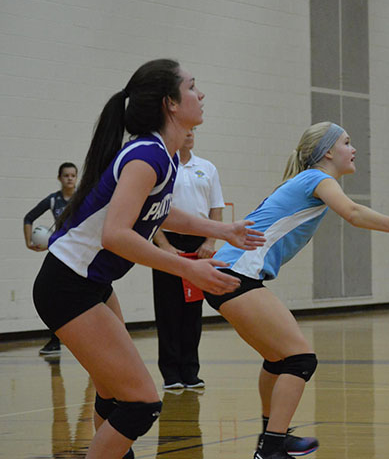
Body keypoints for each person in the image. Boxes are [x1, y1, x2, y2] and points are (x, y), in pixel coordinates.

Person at [32, 58, 265, 459]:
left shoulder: (165, 155)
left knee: (113, 392)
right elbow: (116, 234)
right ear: (170, 103)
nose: (201, 94)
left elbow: (159, 211)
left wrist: (222, 230)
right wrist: (188, 267)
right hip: (67, 284)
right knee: (140, 403)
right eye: (193, 86)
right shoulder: (147, 156)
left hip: (89, 284)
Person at [205, 122, 389, 459]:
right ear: (327, 153)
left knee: (279, 359)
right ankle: (271, 447)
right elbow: (352, 212)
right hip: (236, 273)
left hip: (228, 273)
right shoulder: (316, 179)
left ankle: (273, 435)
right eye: (347, 143)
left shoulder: (307, 182)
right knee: (301, 359)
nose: (353, 149)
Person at [151, 127, 225, 390]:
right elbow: (150, 209)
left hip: (198, 245)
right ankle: (171, 373)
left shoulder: (207, 168)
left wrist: (210, 241)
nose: (190, 133)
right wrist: (164, 245)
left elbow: (216, 207)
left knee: (192, 311)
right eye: (185, 129)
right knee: (168, 309)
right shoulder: (163, 167)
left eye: (193, 130)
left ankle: (191, 371)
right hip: (168, 243)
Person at [23, 162, 78, 354]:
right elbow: (28, 218)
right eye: (66, 175)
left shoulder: (82, 198)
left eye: (73, 175)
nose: (70, 178)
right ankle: (55, 341)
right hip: (60, 254)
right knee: (56, 296)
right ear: (59, 178)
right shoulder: (54, 200)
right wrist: (29, 242)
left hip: (79, 254)